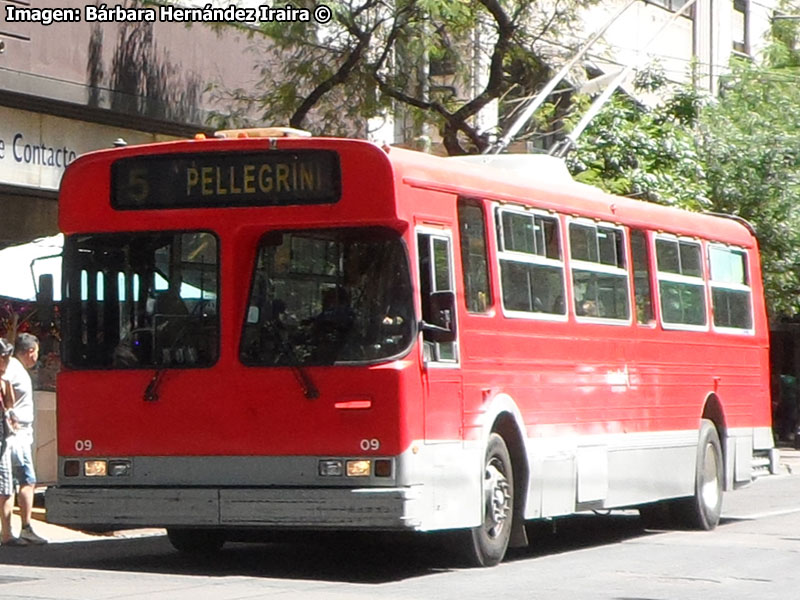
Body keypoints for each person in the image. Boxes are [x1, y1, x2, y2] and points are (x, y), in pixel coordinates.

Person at [5, 333, 46, 545]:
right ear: (30, 351)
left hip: (19, 431)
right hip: (16, 433)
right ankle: (23, 527)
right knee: (24, 481)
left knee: (15, 482)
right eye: (36, 353)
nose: (36, 358)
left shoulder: (13, 368)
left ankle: (14, 528)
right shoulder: (12, 369)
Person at [0, 338, 25, 546]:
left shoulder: (4, 379)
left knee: (6, 487)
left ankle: (6, 532)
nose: (7, 362)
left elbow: (10, 404)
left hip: (4, 439)